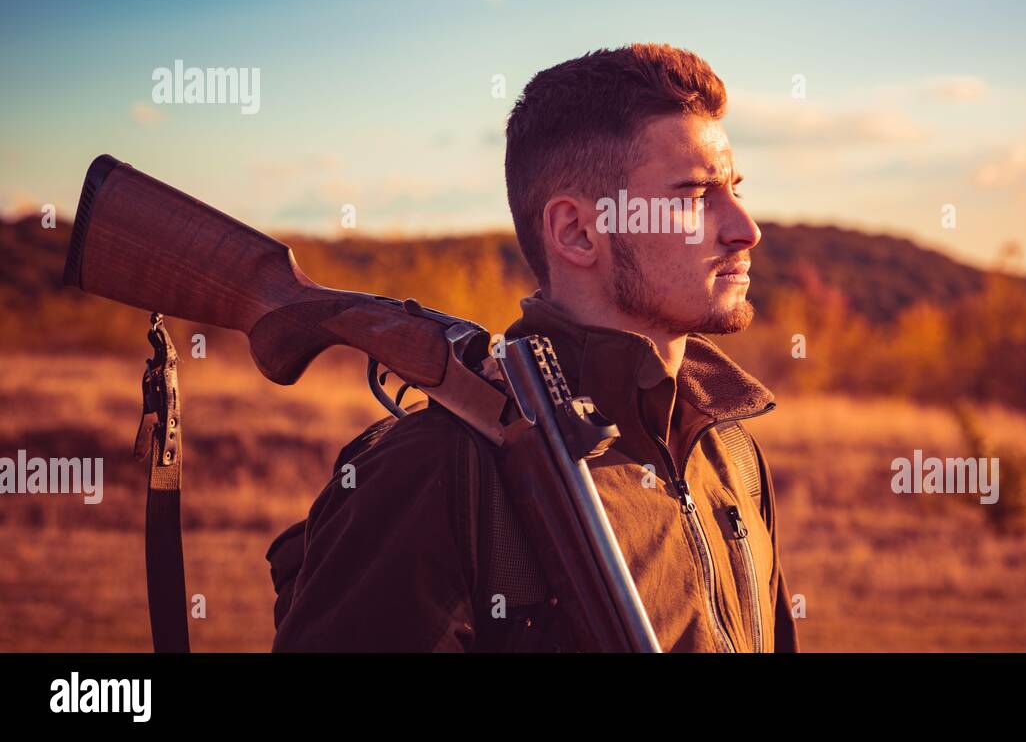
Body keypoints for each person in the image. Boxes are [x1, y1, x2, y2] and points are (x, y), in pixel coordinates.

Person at [272, 44, 798, 652]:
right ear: (577, 232)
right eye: (693, 197)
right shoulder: (432, 472)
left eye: (734, 188)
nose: (745, 228)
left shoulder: (728, 448)